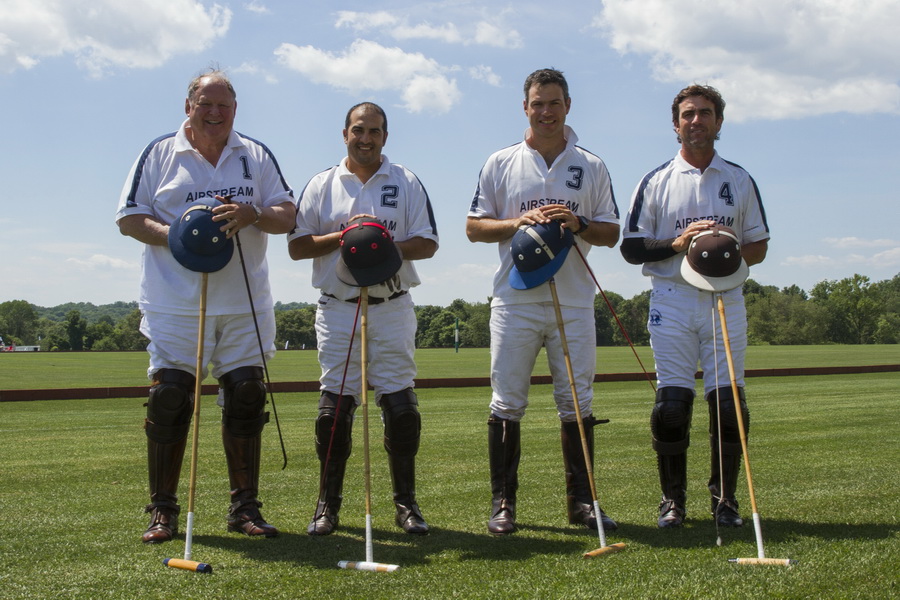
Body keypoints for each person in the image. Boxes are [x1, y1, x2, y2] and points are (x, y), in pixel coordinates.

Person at [116, 69, 296, 543]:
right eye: (205, 104)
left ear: (235, 110)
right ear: (188, 106)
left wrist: (253, 213)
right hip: (175, 301)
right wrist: (178, 236)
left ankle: (245, 508)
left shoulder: (255, 154)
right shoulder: (159, 153)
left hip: (243, 301)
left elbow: (287, 214)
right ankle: (162, 510)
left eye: (224, 106)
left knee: (247, 394)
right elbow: (130, 218)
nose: (215, 113)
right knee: (170, 397)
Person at [466, 68, 621, 535]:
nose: (546, 112)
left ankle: (583, 502)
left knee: (576, 400)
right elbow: (474, 227)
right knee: (507, 401)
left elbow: (611, 233)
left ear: (567, 106)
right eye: (538, 103)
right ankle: (503, 504)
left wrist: (578, 223)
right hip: (514, 299)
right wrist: (517, 222)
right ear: (525, 107)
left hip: (573, 300)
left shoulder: (591, 165)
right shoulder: (500, 162)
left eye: (554, 103)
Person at [620, 84, 770, 529]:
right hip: (672, 298)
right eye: (688, 114)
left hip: (725, 298)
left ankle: (725, 501)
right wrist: (678, 243)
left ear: (718, 122)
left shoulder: (739, 179)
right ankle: (672, 502)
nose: (696, 121)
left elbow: (759, 245)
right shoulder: (656, 180)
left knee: (728, 406)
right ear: (675, 124)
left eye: (705, 113)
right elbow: (631, 248)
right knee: (671, 406)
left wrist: (725, 251)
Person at [288, 102, 439, 536]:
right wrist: (347, 237)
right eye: (358, 130)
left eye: (374, 131)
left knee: (401, 407)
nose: (366, 139)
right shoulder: (322, 184)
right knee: (334, 410)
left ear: (385, 137)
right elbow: (297, 246)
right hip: (339, 307)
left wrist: (380, 242)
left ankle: (406, 505)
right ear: (345, 134)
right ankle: (327, 505)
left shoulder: (406, 181)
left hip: (392, 305)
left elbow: (428, 242)